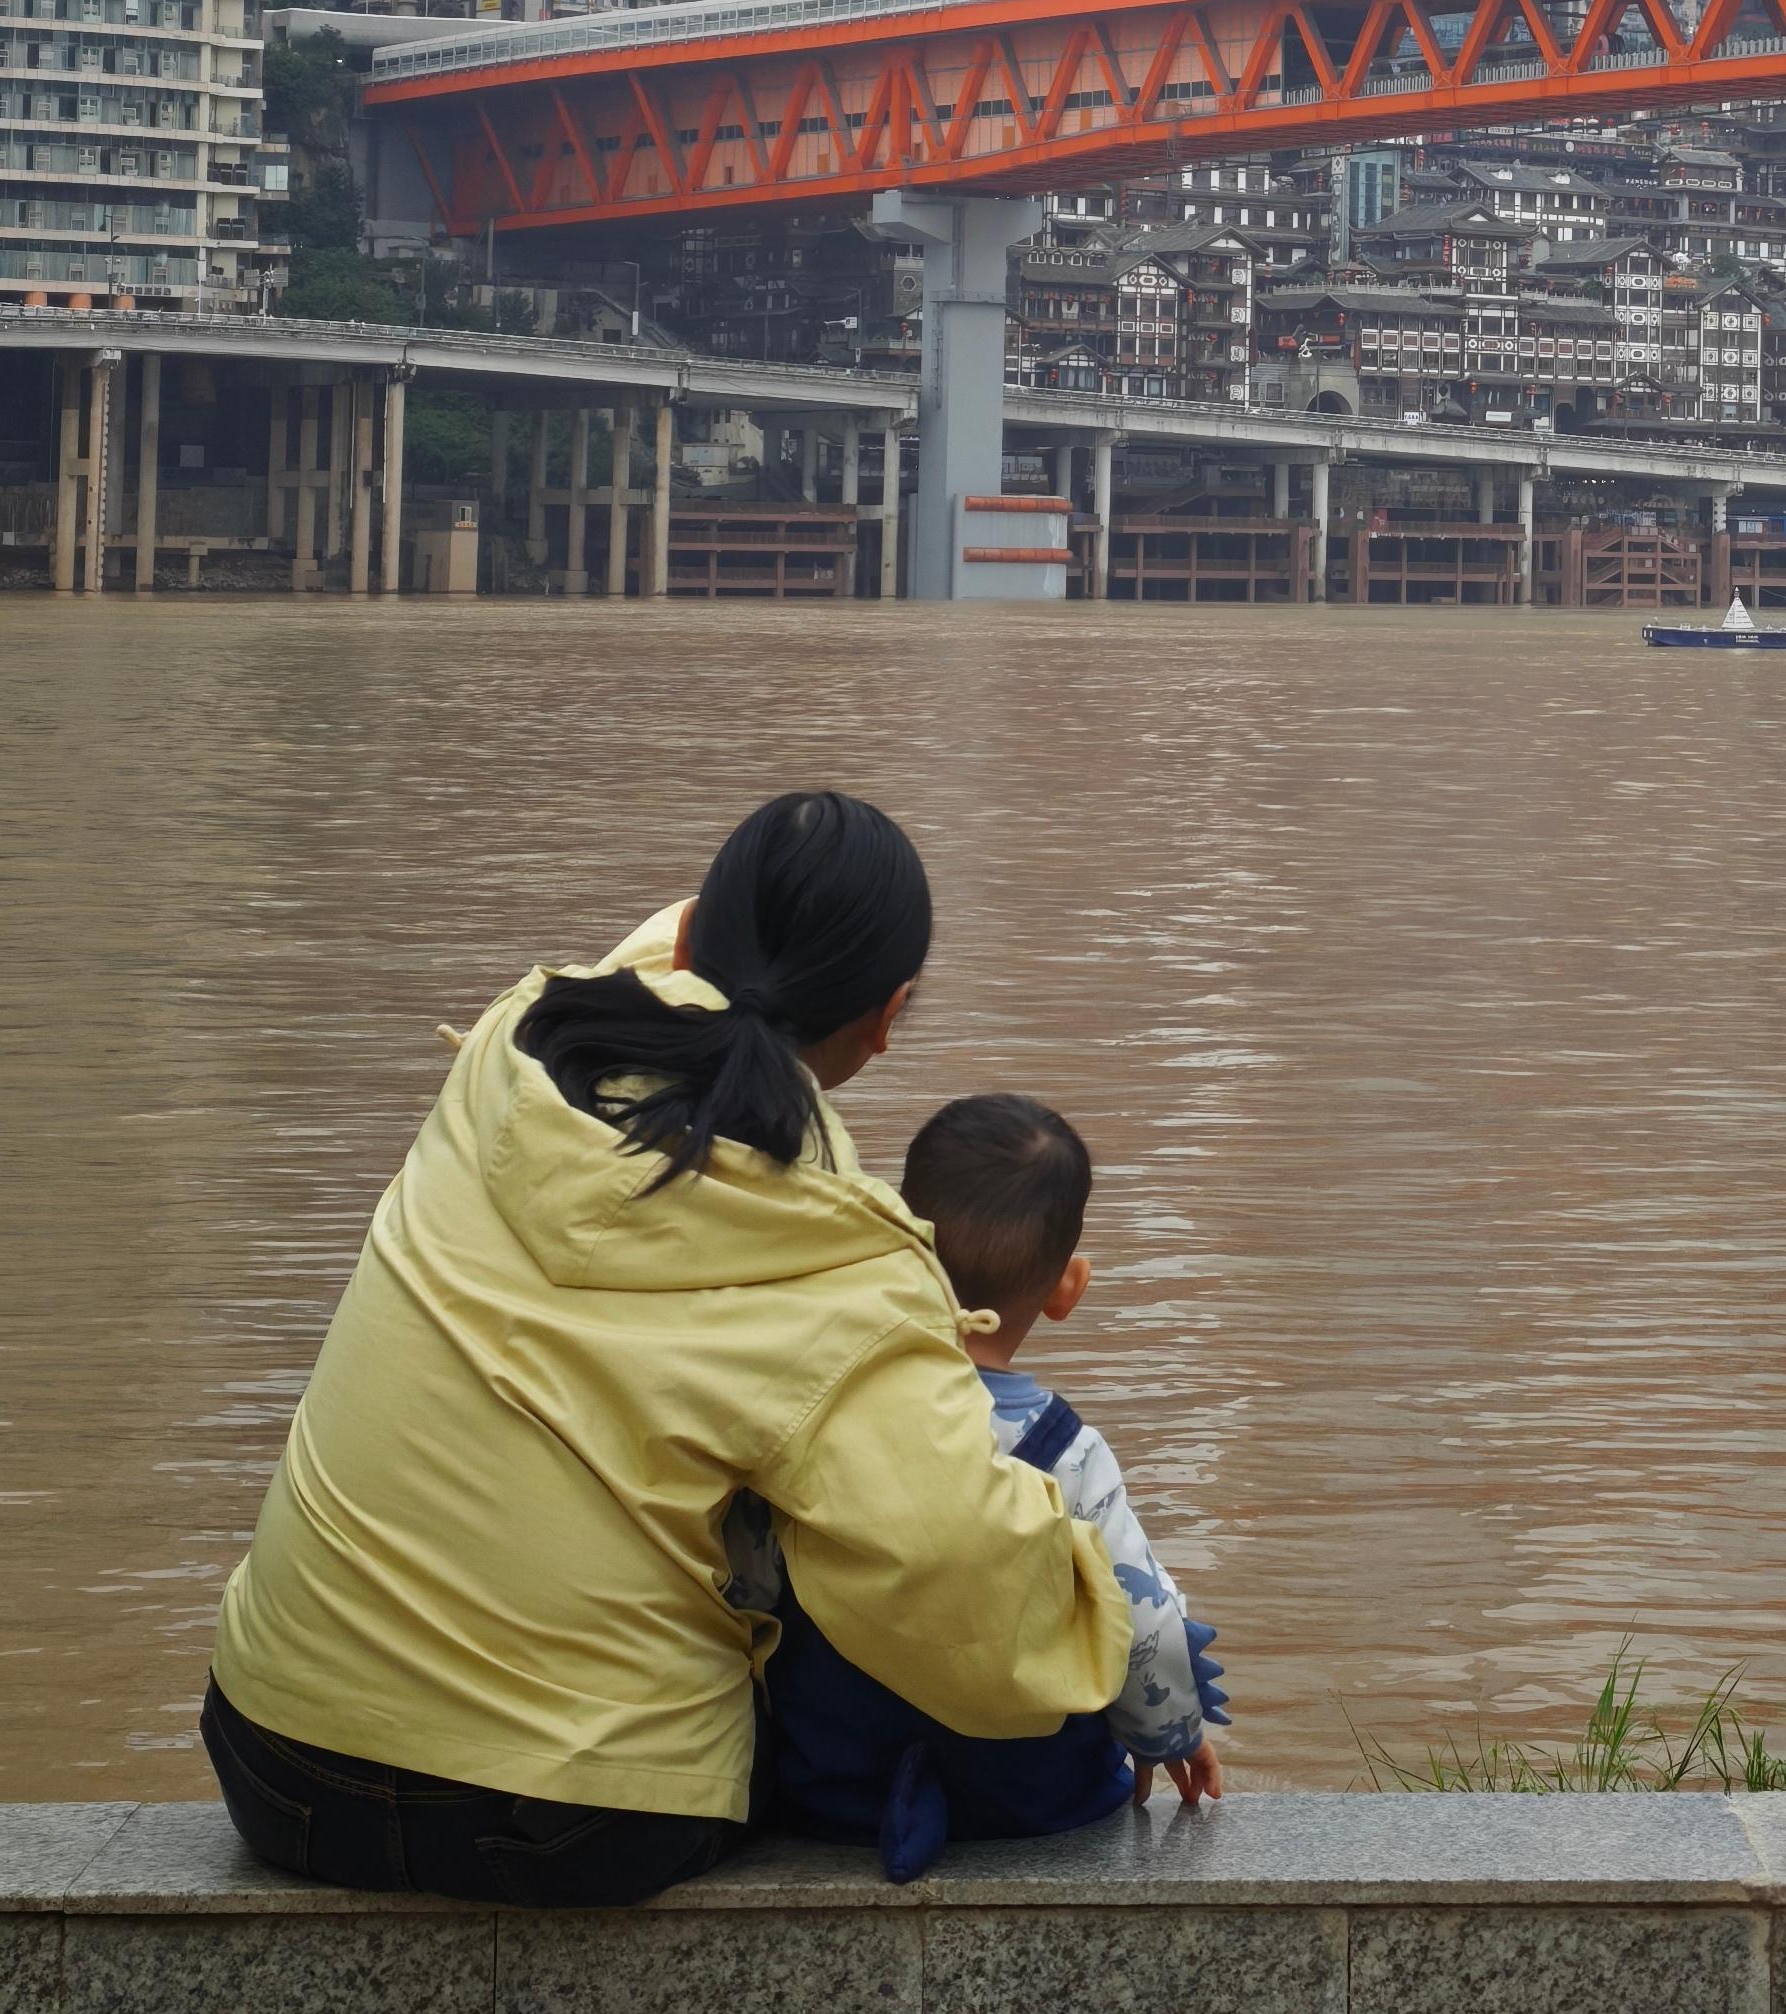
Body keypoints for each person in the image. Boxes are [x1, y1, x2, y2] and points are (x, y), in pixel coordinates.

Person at [202, 791, 1133, 1908]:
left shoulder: (512, 1053)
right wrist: (1118, 1638)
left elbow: (667, 952)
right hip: (573, 1820)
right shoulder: (839, 1260)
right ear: (887, 1020)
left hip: (269, 1752)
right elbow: (951, 1574)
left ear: (693, 936)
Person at [756, 1092, 1229, 1879]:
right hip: (1039, 1797)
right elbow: (1147, 1627)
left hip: (831, 1790)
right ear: (1067, 1288)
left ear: (902, 1251)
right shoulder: (1066, 1451)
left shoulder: (821, 1415)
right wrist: (1171, 1735)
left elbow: (750, 1585)